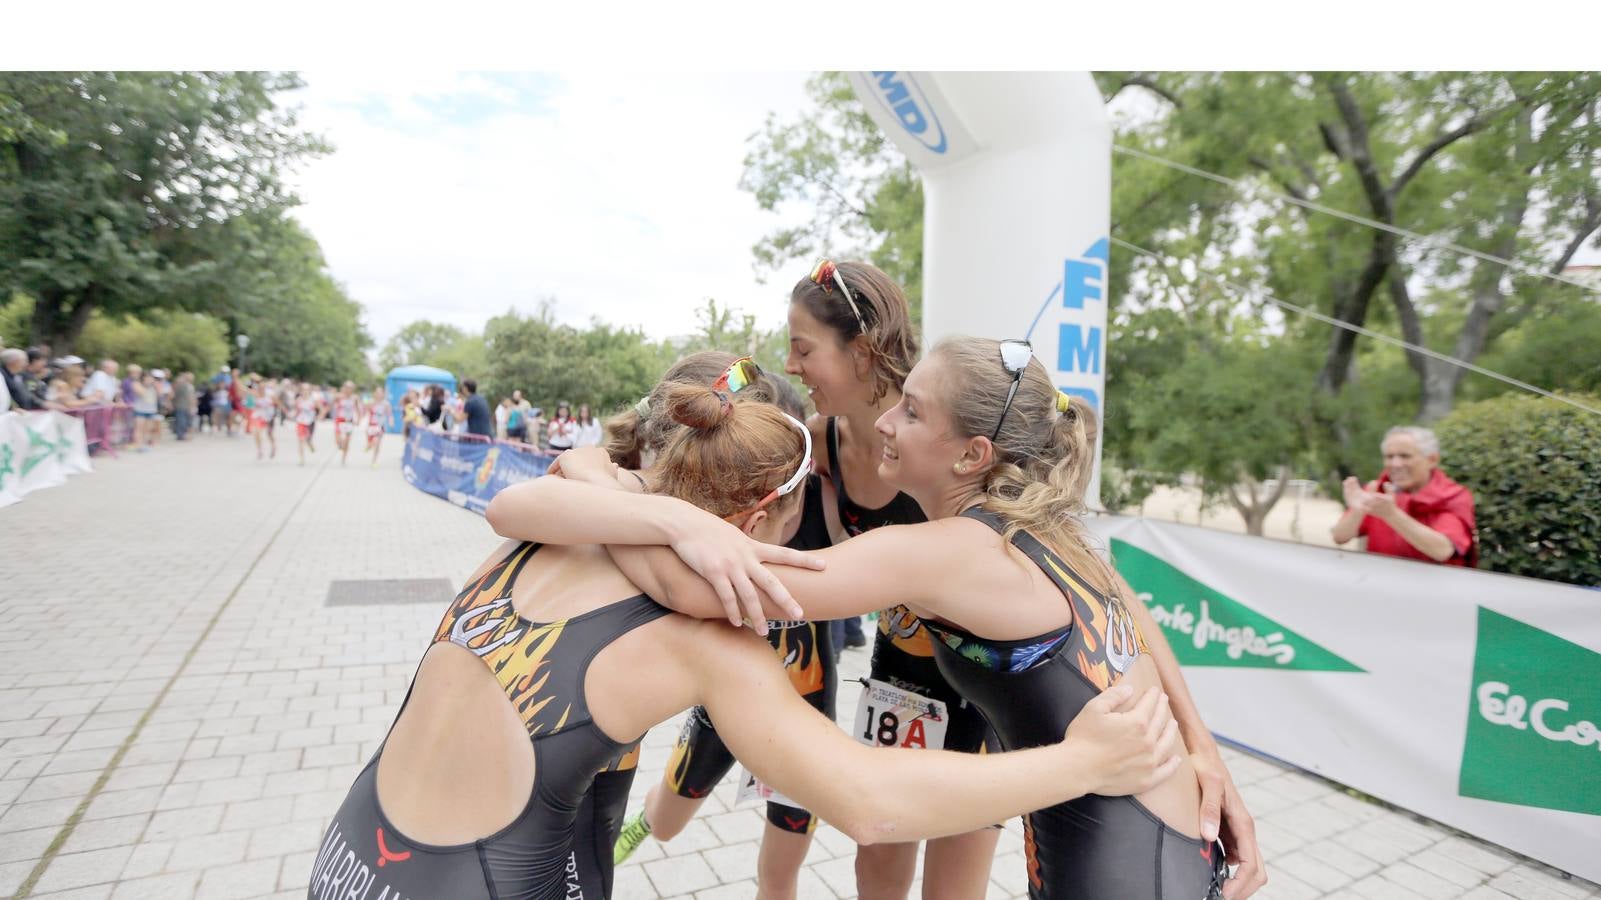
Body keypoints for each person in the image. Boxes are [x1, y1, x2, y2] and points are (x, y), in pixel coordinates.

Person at [310, 381, 1184, 900]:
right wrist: (1084, 766)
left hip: (348, 858)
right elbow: (870, 801)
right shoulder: (700, 638)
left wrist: (634, 500)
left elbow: (540, 491)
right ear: (762, 513)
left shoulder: (544, 531)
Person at [497, 337, 1272, 900]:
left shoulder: (941, 551)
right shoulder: (1046, 528)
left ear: (969, 457)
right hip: (1167, 852)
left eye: (910, 410)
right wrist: (1209, 756)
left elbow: (703, 590)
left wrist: (625, 498)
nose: (886, 423)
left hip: (1125, 874)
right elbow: (1133, 614)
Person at [595, 353, 845, 897]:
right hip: (721, 710)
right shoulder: (704, 526)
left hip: (803, 716)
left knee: (777, 873)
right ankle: (634, 831)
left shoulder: (821, 502)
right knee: (664, 823)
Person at [1332, 426, 1478, 566]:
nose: (1395, 464)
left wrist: (1392, 515)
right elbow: (1340, 537)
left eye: (1405, 456)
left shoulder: (1454, 496)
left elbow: (1442, 550)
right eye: (1389, 457)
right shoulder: (1376, 490)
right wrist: (1358, 511)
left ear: (1432, 460)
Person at [332, 381, 363, 466]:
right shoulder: (339, 396)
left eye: (351, 388)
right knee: (338, 441)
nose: (349, 389)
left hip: (349, 421)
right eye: (347, 387)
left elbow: (358, 409)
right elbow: (331, 405)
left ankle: (343, 459)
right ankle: (340, 445)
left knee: (347, 441)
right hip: (339, 420)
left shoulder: (355, 398)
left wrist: (359, 419)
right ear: (344, 387)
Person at [130, 371, 160, 451]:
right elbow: (142, 393)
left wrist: (156, 386)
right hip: (140, 409)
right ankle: (138, 445)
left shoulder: (153, 386)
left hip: (151, 410)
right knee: (139, 428)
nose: (150, 379)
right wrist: (147, 384)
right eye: (148, 377)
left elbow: (159, 395)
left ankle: (144, 444)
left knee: (147, 429)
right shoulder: (137, 384)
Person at [294, 382, 323, 465]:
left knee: (308, 439)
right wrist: (293, 415)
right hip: (300, 422)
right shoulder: (298, 400)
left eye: (307, 389)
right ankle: (302, 460)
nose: (305, 391)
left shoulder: (314, 400)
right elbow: (296, 411)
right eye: (303, 389)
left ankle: (310, 445)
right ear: (300, 391)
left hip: (310, 422)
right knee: (301, 440)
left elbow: (321, 409)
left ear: (310, 390)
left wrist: (319, 416)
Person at [250, 380, 278, 461]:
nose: (261, 389)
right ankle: (260, 450)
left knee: (269, 434)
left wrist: (286, 412)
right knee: (256, 432)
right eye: (260, 387)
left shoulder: (270, 395)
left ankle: (273, 447)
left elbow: (278, 403)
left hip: (269, 417)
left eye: (263, 387)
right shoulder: (255, 394)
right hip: (258, 416)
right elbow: (243, 390)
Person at [365, 386, 391, 467]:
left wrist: (391, 421)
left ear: (383, 394)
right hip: (372, 425)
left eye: (380, 393)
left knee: (377, 443)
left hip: (380, 426)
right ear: (375, 394)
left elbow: (389, 414)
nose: (379, 394)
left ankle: (374, 461)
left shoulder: (386, 403)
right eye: (377, 393)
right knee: (371, 442)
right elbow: (366, 411)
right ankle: (369, 445)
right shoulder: (371, 402)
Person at [172, 373, 195, 441]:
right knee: (181, 421)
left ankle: (182, 435)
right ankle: (181, 435)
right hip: (181, 406)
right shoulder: (180, 386)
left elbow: (191, 397)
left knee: (184, 421)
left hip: (185, 406)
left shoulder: (189, 386)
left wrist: (192, 406)